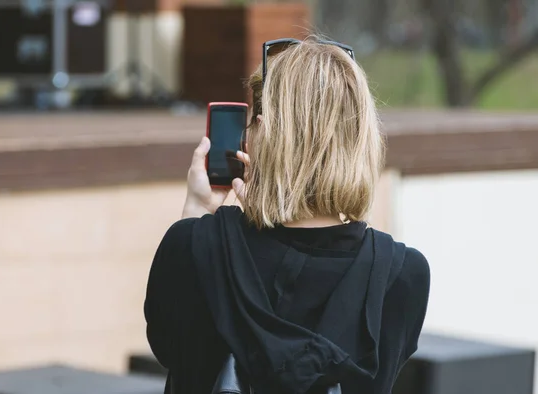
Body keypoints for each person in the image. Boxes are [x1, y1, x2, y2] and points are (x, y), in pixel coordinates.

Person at [144, 37, 430, 394]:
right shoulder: (402, 274)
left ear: (265, 131)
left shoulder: (193, 246)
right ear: (361, 137)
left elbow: (171, 350)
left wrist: (202, 214)